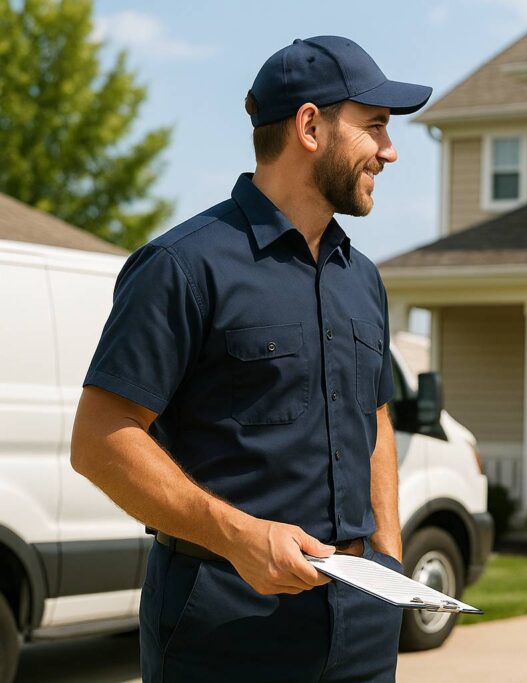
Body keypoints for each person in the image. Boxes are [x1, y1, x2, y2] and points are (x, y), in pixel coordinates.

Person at [69, 36, 431, 682]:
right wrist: (240, 536)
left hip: (361, 624)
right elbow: (98, 439)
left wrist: (388, 552)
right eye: (374, 125)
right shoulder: (182, 267)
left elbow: (373, 417)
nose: (390, 149)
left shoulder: (363, 279)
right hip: (224, 629)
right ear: (310, 126)